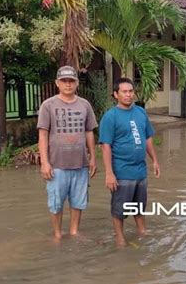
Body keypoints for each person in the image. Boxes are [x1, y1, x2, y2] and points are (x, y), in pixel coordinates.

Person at [37, 65, 98, 239]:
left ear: (77, 83)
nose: (68, 84)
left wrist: (92, 158)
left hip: (80, 163)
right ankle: (57, 234)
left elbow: (89, 132)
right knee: (56, 202)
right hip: (57, 164)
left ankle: (74, 231)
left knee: (78, 201)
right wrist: (44, 162)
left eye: (71, 81)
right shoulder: (48, 105)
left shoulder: (84, 105)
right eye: (64, 81)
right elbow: (43, 134)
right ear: (57, 83)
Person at [99, 77, 160, 247]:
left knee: (139, 206)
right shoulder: (110, 117)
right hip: (121, 170)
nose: (128, 95)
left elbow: (147, 138)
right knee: (119, 209)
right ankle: (119, 238)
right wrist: (109, 173)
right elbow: (105, 146)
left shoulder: (140, 112)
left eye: (131, 91)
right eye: (124, 92)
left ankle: (142, 232)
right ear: (116, 94)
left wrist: (154, 160)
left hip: (140, 170)